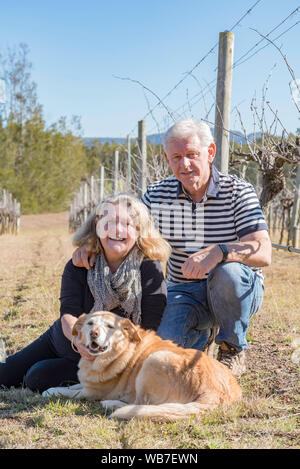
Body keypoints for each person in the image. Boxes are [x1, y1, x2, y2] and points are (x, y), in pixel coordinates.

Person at [72, 119, 272, 378]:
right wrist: (93, 246)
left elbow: (263, 252)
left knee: (229, 273)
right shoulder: (157, 195)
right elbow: (127, 227)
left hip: (235, 289)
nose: (184, 164)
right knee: (160, 357)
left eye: (192, 155)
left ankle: (231, 347)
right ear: (166, 158)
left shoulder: (238, 192)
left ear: (210, 153)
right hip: (183, 291)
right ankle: (201, 336)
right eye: (176, 157)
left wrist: (219, 252)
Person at [0, 193, 170, 393]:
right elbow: (68, 314)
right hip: (63, 341)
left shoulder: (149, 269)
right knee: (4, 374)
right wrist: (78, 340)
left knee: (36, 377)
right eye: (109, 222)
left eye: (127, 224)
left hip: (107, 358)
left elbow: (150, 327)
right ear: (97, 226)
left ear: (139, 230)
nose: (117, 230)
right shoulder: (79, 265)